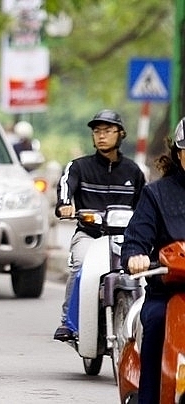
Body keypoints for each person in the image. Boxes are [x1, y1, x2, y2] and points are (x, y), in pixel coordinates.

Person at [53, 109, 146, 341]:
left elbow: (146, 204)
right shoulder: (79, 166)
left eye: (107, 130)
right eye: (97, 131)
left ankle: (144, 320)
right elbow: (65, 187)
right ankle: (69, 321)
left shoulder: (133, 171)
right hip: (90, 235)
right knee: (81, 265)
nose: (101, 136)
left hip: (125, 239)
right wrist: (65, 205)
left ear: (121, 134)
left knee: (143, 272)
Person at [121, 118, 185, 404]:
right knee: (157, 321)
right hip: (168, 292)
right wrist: (135, 256)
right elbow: (137, 237)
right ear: (178, 153)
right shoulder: (156, 193)